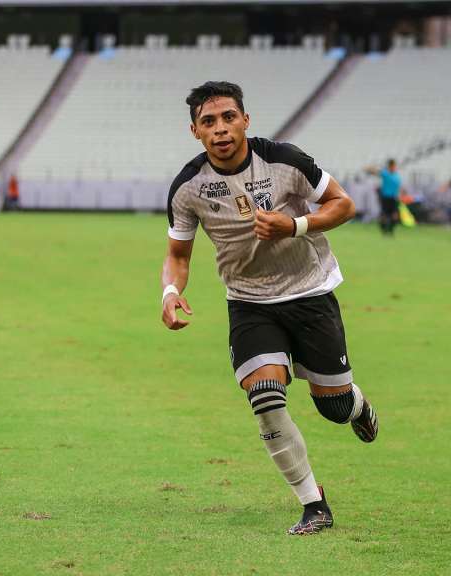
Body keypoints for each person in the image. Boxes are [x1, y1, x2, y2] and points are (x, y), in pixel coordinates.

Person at [160, 81, 378, 536]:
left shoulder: (285, 160)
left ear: (244, 120)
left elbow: (345, 205)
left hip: (310, 292)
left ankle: (356, 405)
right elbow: (178, 256)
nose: (220, 129)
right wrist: (169, 293)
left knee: (333, 407)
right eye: (208, 122)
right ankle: (313, 504)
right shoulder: (188, 187)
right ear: (195, 132)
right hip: (249, 303)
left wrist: (295, 225)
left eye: (228, 118)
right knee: (265, 397)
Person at [365, 159, 402, 236]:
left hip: (394, 198)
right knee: (384, 216)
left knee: (395, 216)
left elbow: (398, 188)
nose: (394, 167)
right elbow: (371, 171)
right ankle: (384, 231)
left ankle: (391, 231)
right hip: (386, 198)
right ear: (390, 166)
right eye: (392, 166)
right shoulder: (385, 174)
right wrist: (371, 167)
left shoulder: (397, 176)